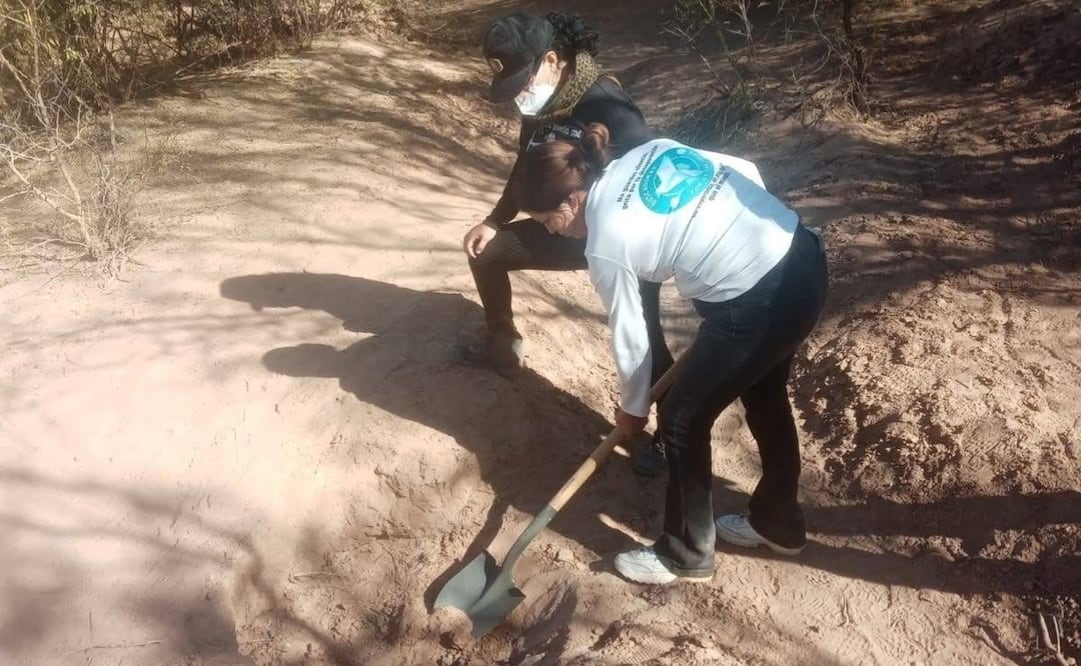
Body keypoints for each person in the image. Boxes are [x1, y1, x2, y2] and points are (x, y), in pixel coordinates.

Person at [513, 123, 829, 585]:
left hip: (757, 303)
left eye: (546, 220)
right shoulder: (648, 152)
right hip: (800, 258)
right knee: (765, 397)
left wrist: (633, 411)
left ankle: (685, 554)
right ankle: (777, 523)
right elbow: (745, 170)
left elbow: (630, 333)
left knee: (681, 418)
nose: (553, 232)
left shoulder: (606, 242)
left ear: (572, 201)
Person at [455, 11, 673, 475]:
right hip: (566, 230)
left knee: (645, 334)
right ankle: (503, 341)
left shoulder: (609, 106)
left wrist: (627, 252)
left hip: (623, 239)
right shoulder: (540, 104)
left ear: (551, 60)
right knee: (486, 252)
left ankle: (671, 437)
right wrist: (495, 220)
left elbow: (651, 177)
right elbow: (527, 168)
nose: (518, 97)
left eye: (521, 82)